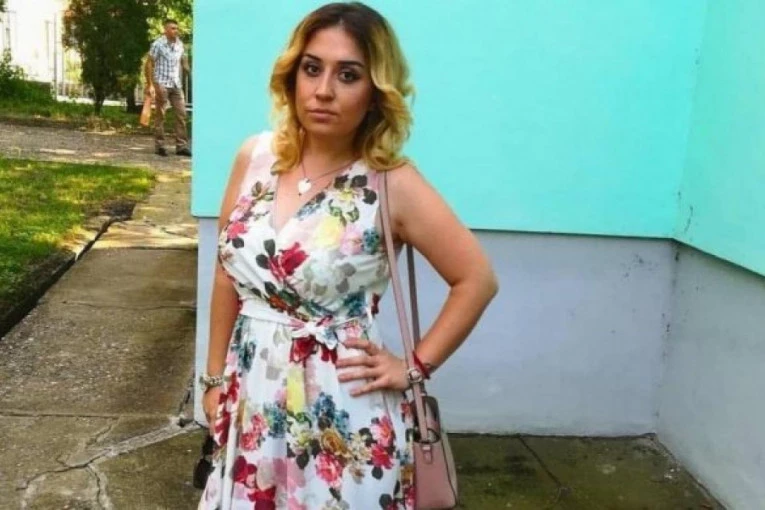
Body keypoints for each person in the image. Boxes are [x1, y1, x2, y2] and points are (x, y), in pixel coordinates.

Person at [199, 2, 498, 508]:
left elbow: (477, 279)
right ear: (292, 75)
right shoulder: (255, 158)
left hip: (341, 416)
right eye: (312, 68)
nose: (323, 90)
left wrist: (413, 368)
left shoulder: (391, 183)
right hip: (250, 401)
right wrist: (212, 380)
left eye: (348, 75)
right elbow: (227, 273)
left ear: (376, 92)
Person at [147, 19, 191, 157]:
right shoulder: (158, 44)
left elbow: (184, 60)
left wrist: (188, 69)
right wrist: (151, 84)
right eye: (172, 28)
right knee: (161, 115)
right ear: (165, 30)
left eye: (176, 28)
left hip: (176, 84)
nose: (175, 31)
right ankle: (160, 146)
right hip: (161, 83)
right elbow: (149, 64)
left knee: (182, 114)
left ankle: (181, 147)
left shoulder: (180, 44)